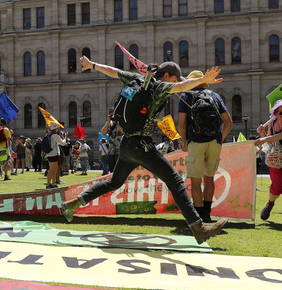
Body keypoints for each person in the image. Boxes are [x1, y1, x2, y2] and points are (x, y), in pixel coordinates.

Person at [63, 57, 227, 244]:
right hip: (142, 146)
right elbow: (183, 87)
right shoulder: (159, 87)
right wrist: (202, 80)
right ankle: (198, 228)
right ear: (166, 76)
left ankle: (74, 203)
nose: (175, 83)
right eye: (174, 79)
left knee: (114, 183)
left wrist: (92, 65)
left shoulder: (137, 80)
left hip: (127, 145)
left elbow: (113, 71)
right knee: (174, 181)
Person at [177, 71, 233, 222]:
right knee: (209, 179)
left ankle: (198, 216)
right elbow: (229, 121)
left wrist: (184, 141)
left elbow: (182, 124)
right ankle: (207, 214)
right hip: (214, 142)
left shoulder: (186, 96)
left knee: (195, 181)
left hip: (195, 141)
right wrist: (220, 138)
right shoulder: (215, 96)